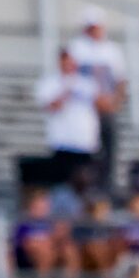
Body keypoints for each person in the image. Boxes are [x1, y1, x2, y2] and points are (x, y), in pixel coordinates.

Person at [67, 7, 126, 188]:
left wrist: (115, 102)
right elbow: (72, 78)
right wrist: (94, 99)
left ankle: (107, 185)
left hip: (106, 108)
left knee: (108, 147)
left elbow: (121, 80)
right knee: (88, 150)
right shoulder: (77, 48)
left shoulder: (112, 50)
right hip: (85, 109)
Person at [35, 48, 101, 187]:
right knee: (63, 183)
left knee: (85, 182)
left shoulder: (86, 83)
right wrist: (67, 90)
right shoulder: (50, 83)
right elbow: (51, 106)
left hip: (84, 142)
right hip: (63, 141)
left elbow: (102, 105)